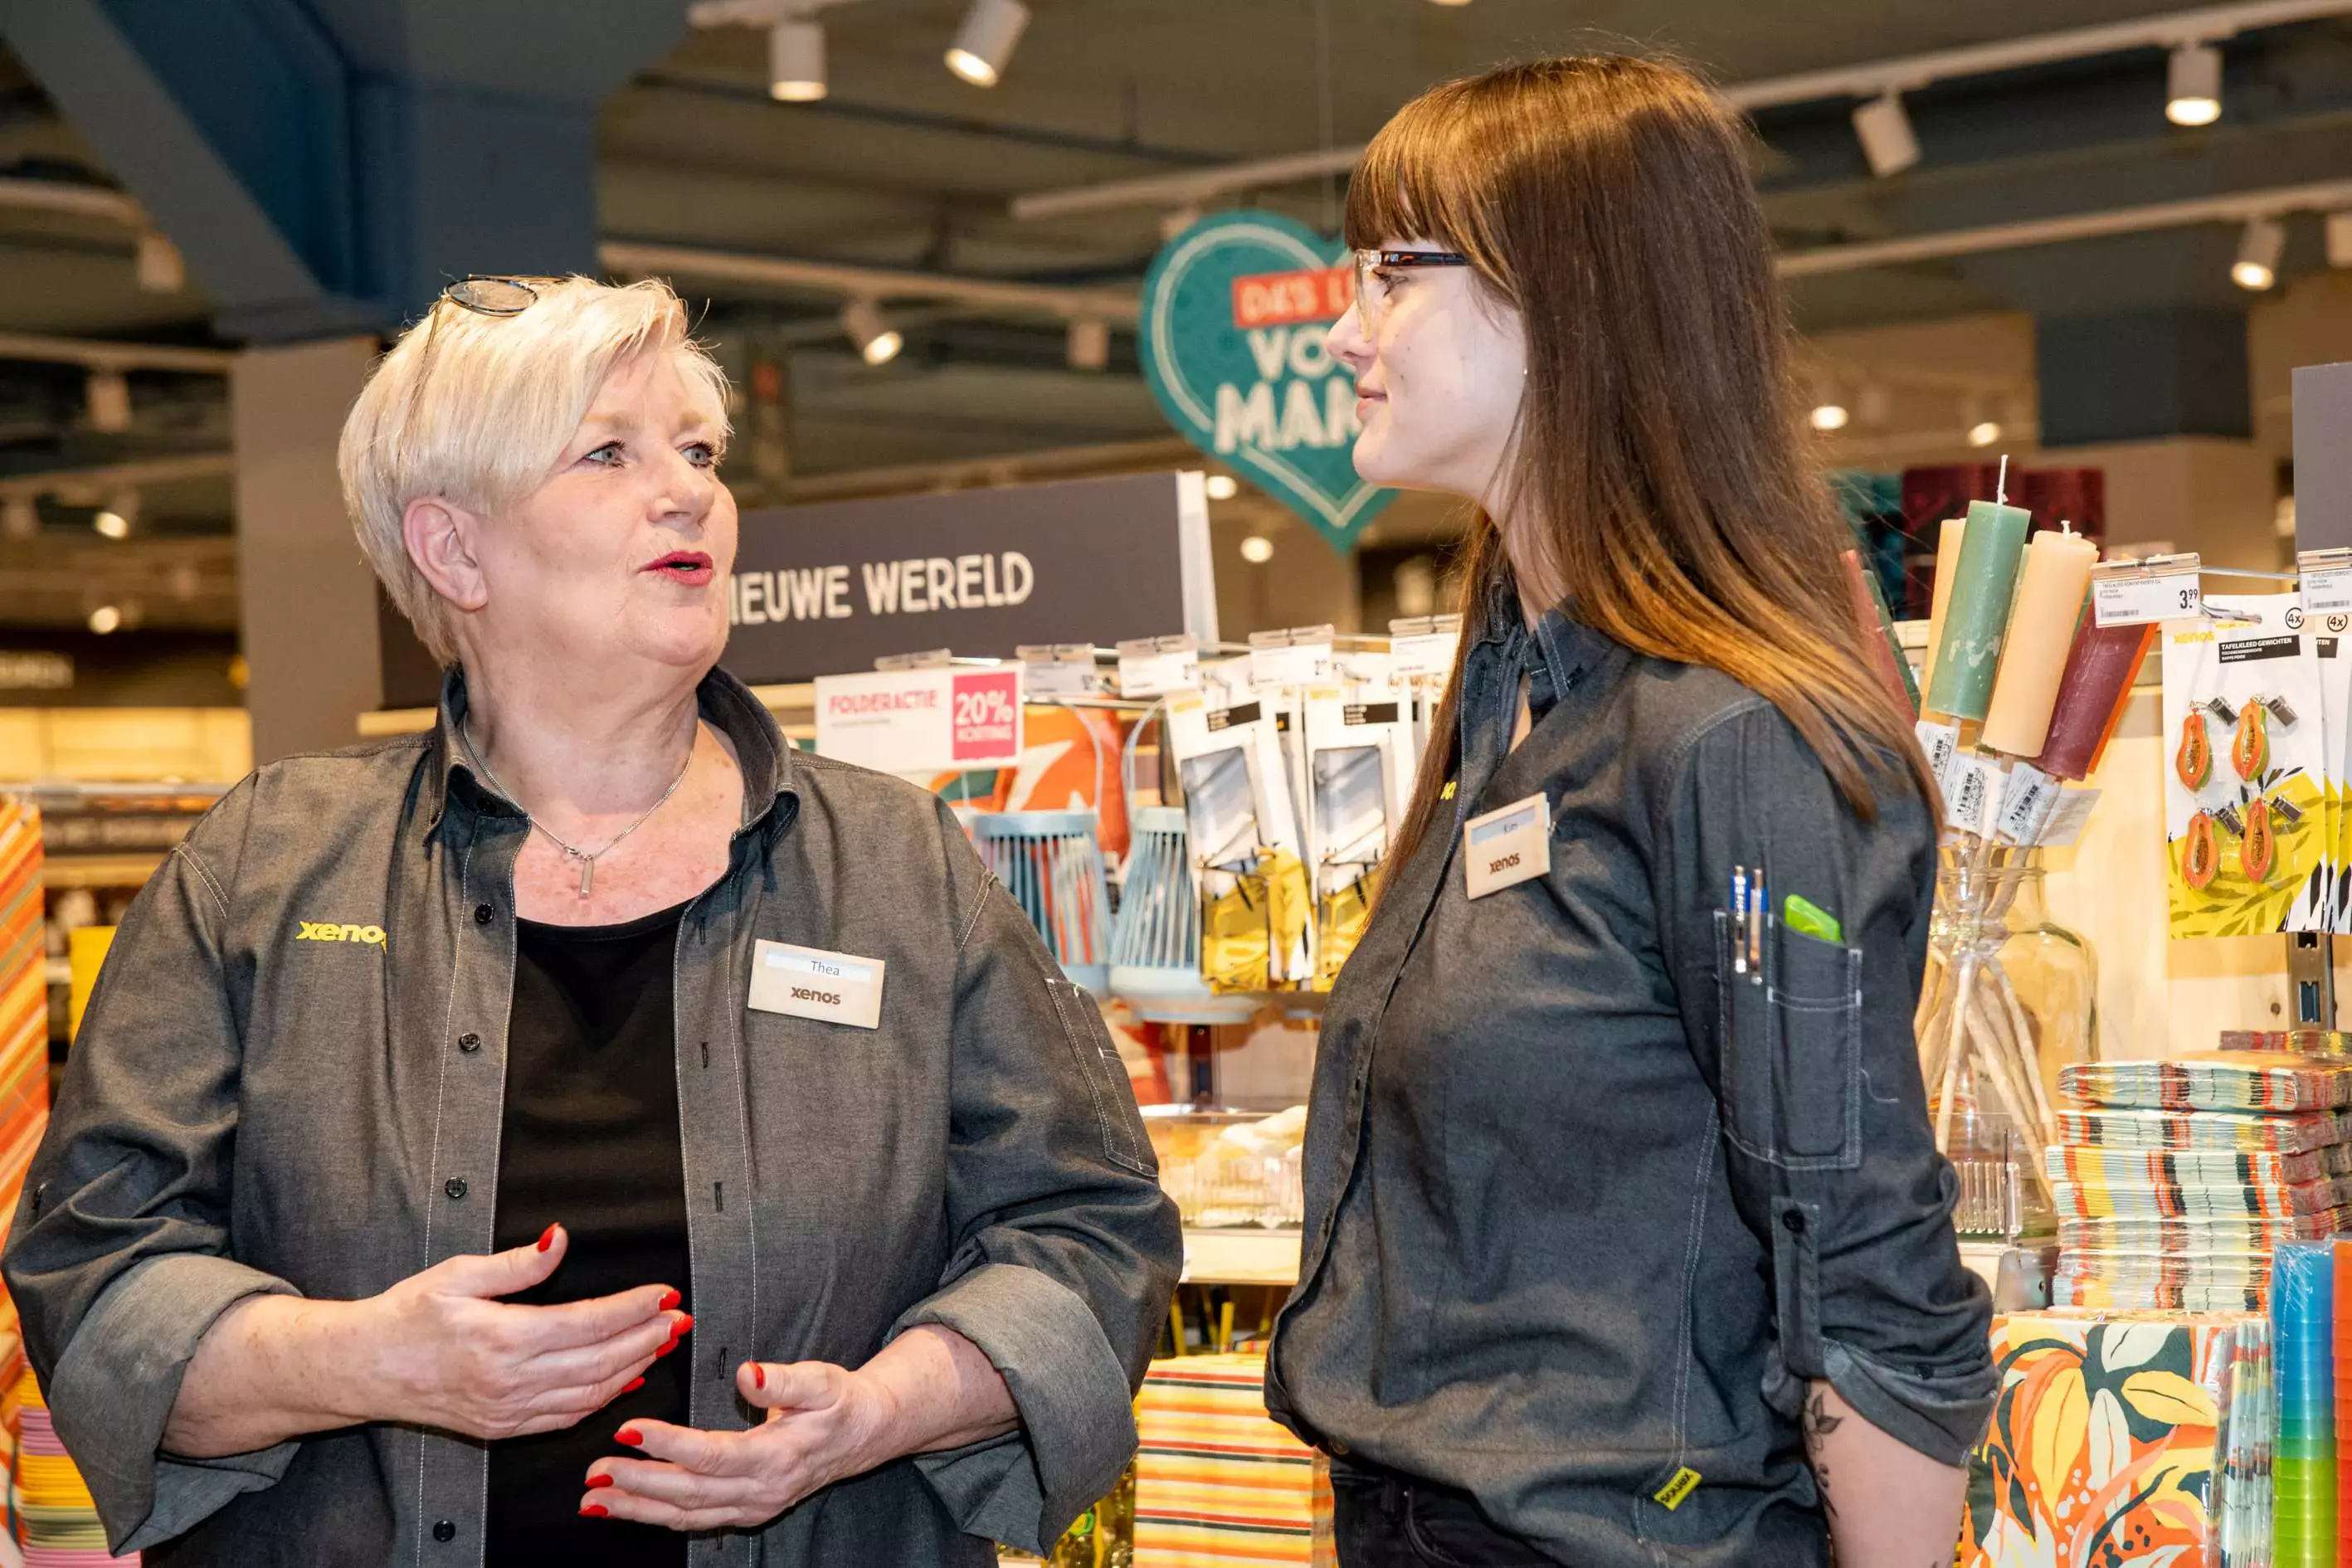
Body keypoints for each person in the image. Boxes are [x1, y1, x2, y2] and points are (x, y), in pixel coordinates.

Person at [4, 275, 1180, 1566]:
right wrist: (364, 1361)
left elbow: (1089, 1227)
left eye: (697, 450)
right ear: (453, 548)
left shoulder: (900, 863)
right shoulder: (266, 869)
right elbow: (94, 1269)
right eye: (608, 453)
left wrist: (877, 1413)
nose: (685, 492)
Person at [1265, 57, 1995, 1568]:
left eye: (1391, 274)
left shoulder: (1733, 742)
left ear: (1569, 297)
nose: (1345, 330)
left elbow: (1864, 1280)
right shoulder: (1509, 704)